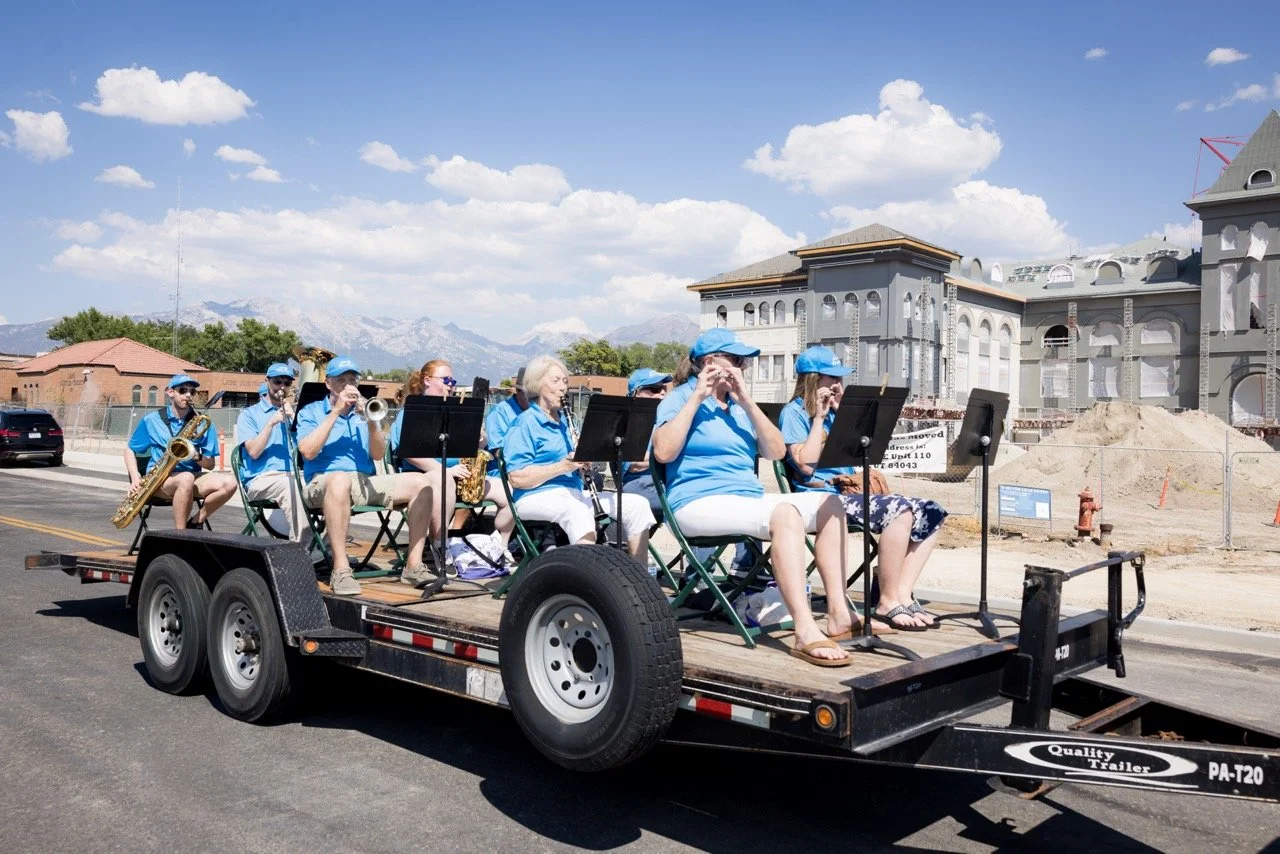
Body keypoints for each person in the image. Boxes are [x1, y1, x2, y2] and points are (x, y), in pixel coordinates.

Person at [652, 329, 856, 667]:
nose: (743, 366)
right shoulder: (679, 398)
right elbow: (663, 452)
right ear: (709, 362)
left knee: (830, 505)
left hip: (744, 498)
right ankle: (805, 629)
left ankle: (838, 612)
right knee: (786, 513)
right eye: (736, 359)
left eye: (743, 361)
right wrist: (697, 397)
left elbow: (776, 452)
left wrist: (747, 400)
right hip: (696, 501)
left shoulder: (738, 405)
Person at [780, 345, 948, 631]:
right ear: (814, 380)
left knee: (932, 512)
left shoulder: (835, 413)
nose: (839, 384)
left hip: (850, 493)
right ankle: (886, 601)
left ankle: (901, 594)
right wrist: (818, 419)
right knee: (901, 511)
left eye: (840, 378)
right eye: (833, 378)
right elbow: (805, 466)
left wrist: (846, 416)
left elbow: (861, 454)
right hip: (820, 498)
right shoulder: (793, 413)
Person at [296, 356, 441, 595]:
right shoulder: (311, 411)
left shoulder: (361, 415)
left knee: (422, 483)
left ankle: (413, 565)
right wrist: (335, 412)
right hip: (323, 481)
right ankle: (340, 569)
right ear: (328, 384)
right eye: (341, 380)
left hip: (363, 481)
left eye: (352, 380)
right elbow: (308, 451)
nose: (348, 386)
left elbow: (378, 454)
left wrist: (372, 422)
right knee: (340, 479)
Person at [504, 355, 655, 565]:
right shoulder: (525, 423)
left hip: (572, 492)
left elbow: (573, 467)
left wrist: (582, 465)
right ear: (537, 385)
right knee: (578, 511)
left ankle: (639, 575)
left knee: (637, 505)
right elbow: (517, 478)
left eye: (565, 381)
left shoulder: (566, 422)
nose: (562, 387)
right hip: (533, 496)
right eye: (555, 381)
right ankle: (585, 576)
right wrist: (563, 466)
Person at [391, 358, 516, 565]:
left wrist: (481, 440)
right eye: (446, 380)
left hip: (459, 474)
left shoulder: (456, 410)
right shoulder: (411, 411)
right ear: (427, 380)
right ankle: (440, 544)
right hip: (425, 476)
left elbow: (472, 448)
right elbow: (409, 453)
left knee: (508, 491)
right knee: (444, 480)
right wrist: (445, 470)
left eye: (453, 381)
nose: (451, 385)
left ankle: (499, 546)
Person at [124, 374, 237, 530]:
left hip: (192, 477)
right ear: (170, 392)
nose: (188, 395)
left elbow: (210, 465)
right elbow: (130, 450)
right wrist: (135, 477)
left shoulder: (202, 422)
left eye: (192, 391)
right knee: (185, 478)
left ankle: (195, 522)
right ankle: (181, 534)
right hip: (160, 480)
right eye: (183, 390)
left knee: (230, 483)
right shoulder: (152, 420)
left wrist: (196, 456)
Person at [235, 363, 308, 542]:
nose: (282, 387)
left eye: (287, 383)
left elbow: (307, 451)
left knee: (329, 484)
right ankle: (302, 546)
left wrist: (295, 419)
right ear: (267, 381)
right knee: (290, 485)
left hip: (292, 475)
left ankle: (326, 547)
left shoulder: (294, 416)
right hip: (260, 479)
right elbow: (253, 452)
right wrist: (270, 423)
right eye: (277, 382)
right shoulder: (249, 414)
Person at [484, 366, 529, 472]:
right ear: (518, 391)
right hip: (504, 473)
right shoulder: (499, 412)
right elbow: (499, 453)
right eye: (530, 394)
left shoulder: (537, 411)